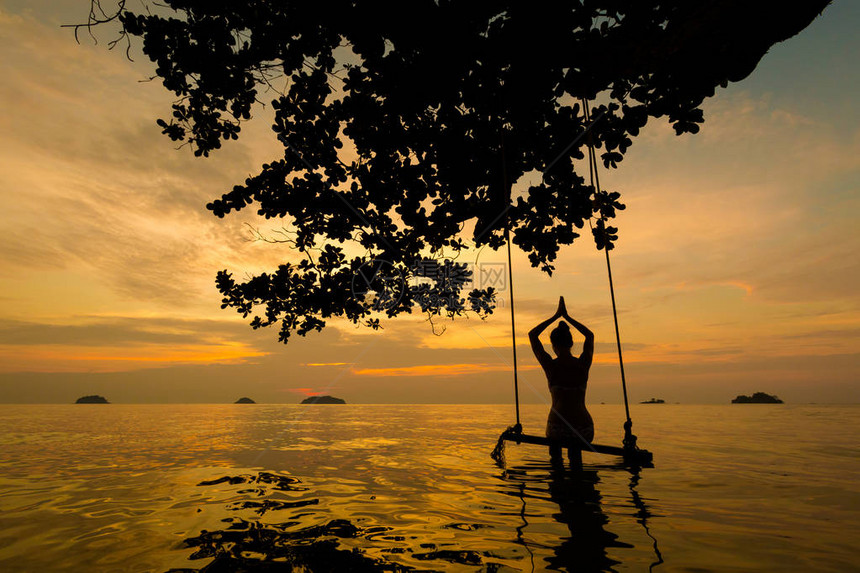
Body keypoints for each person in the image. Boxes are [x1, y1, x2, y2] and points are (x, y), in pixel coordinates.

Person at [529, 296, 595, 465]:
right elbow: (590, 335)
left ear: (553, 345)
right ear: (571, 343)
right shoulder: (583, 365)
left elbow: (533, 335)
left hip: (558, 428)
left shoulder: (551, 367)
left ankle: (558, 485)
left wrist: (556, 316)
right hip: (584, 428)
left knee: (555, 461)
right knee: (576, 459)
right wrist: (567, 317)